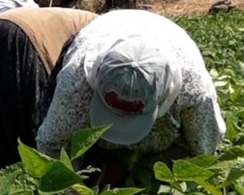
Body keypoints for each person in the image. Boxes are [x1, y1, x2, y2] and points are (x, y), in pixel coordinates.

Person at [35, 10, 226, 184]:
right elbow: (52, 143)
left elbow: (203, 151)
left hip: (169, 35)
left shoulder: (193, 90)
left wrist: (148, 176)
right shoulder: (76, 80)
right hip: (102, 30)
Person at [0, 6, 98, 166]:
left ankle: (6, 180)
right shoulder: (113, 39)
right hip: (23, 36)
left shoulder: (104, 23)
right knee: (36, 132)